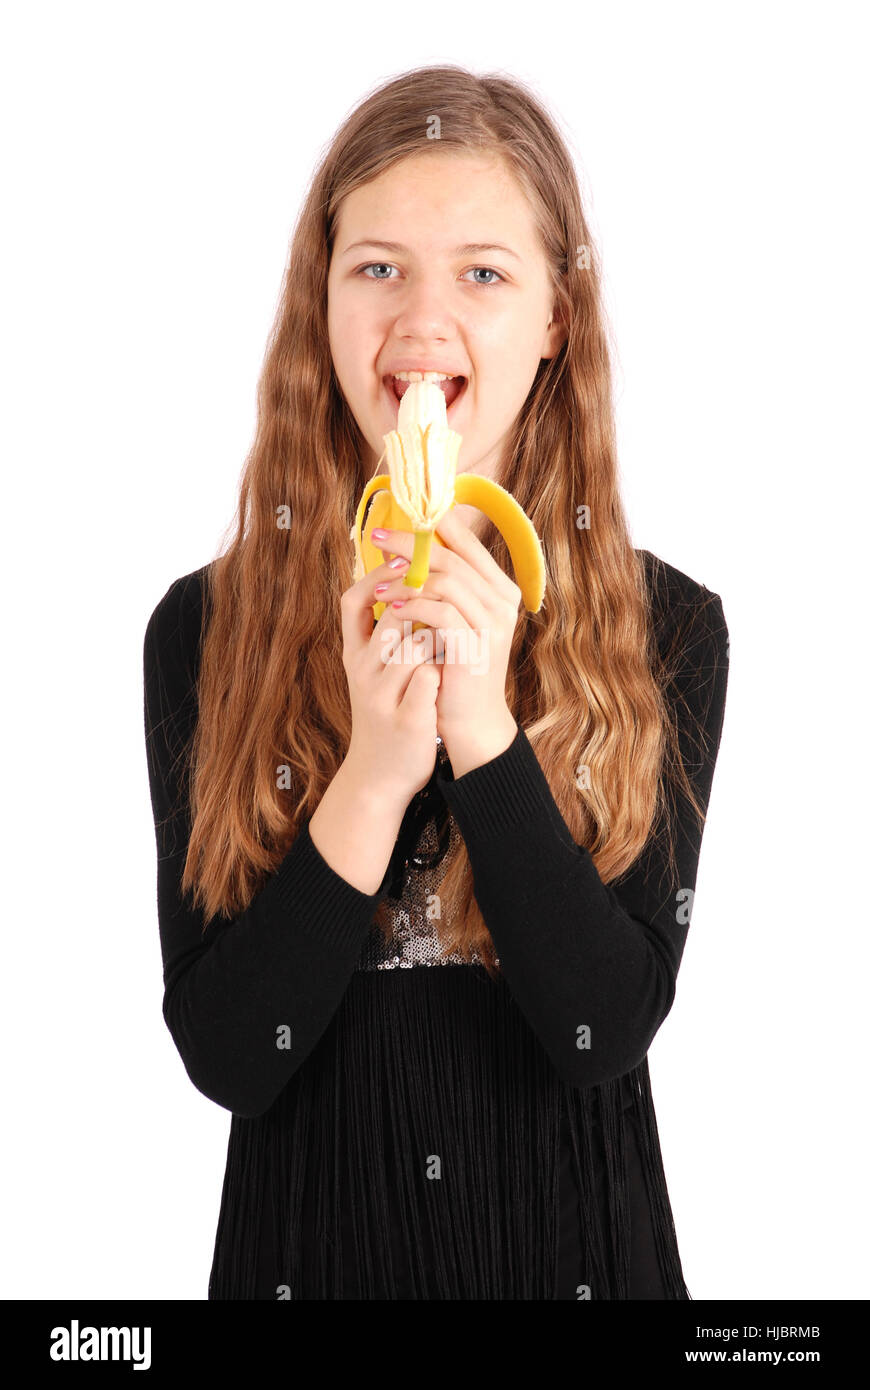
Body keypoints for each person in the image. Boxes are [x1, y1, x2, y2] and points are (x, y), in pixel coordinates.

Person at [143, 65, 729, 1300]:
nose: (422, 319)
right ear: (322, 303)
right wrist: (372, 771)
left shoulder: (668, 623)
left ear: (556, 319)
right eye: (377, 267)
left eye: (482, 271)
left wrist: (483, 734)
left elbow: (602, 1029)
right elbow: (234, 1055)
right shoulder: (204, 627)